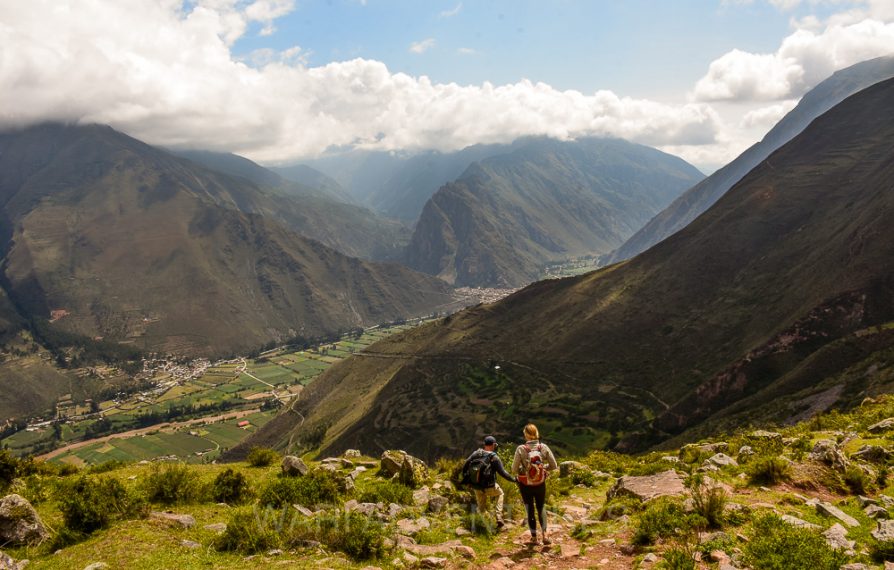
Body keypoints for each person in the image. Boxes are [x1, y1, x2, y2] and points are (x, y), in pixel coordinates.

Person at [512, 423, 558, 545]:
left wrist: (525, 470)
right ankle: (545, 534)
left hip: (525, 484)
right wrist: (542, 469)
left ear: (526, 435)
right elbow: (554, 466)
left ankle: (533, 537)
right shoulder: (543, 447)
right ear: (536, 434)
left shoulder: (521, 449)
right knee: (541, 506)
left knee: (530, 509)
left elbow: (513, 470)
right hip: (540, 483)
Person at [461, 435, 516, 529]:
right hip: (489, 486)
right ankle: (498, 516)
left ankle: (482, 527)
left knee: (481, 508)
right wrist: (514, 480)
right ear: (494, 445)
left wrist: (468, 480)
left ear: (485, 444)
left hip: (476, 486)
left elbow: (466, 464)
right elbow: (503, 473)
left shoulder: (476, 453)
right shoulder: (494, 457)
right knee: (500, 494)